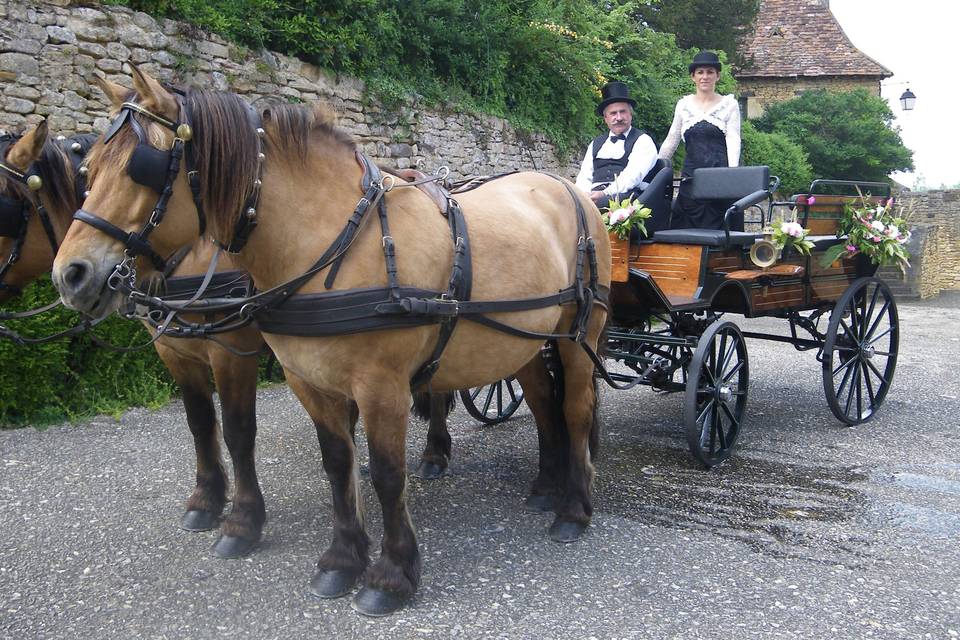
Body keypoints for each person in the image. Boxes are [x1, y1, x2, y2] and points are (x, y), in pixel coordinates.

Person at [658, 50, 742, 230]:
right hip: (691, 182)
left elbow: (734, 140)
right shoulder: (683, 105)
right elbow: (672, 140)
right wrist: (656, 168)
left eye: (710, 72)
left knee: (721, 231)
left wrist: (732, 174)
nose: (705, 76)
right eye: (700, 72)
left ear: (717, 76)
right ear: (693, 77)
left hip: (720, 182)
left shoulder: (729, 105)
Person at [575, 81, 658, 210]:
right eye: (613, 113)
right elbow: (585, 175)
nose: (618, 118)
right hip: (594, 195)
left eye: (623, 112)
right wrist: (584, 195)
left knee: (598, 207)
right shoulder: (595, 144)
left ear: (630, 115)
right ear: (606, 118)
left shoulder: (643, 141)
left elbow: (632, 176)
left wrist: (604, 194)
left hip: (627, 196)